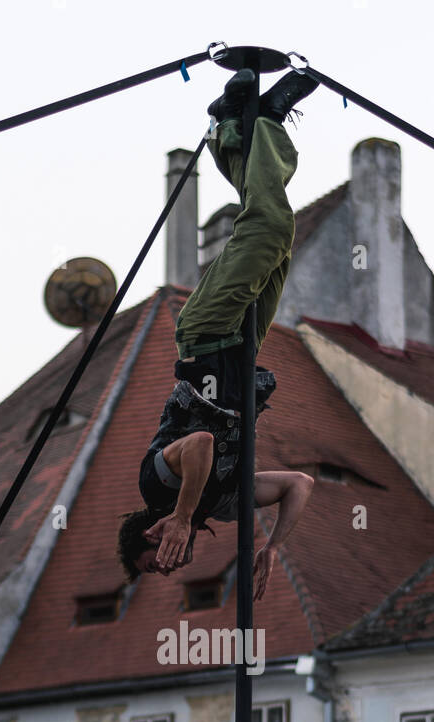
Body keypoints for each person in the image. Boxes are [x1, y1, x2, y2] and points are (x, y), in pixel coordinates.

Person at [117, 68, 319, 595]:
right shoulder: (226, 505)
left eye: (152, 561)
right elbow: (299, 485)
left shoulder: (156, 482)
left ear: (151, 531)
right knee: (278, 228)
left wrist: (183, 515)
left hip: (206, 336)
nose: (164, 568)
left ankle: (250, 122)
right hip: (244, 346)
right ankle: (236, 129)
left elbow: (202, 441)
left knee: (267, 228)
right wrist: (272, 545)